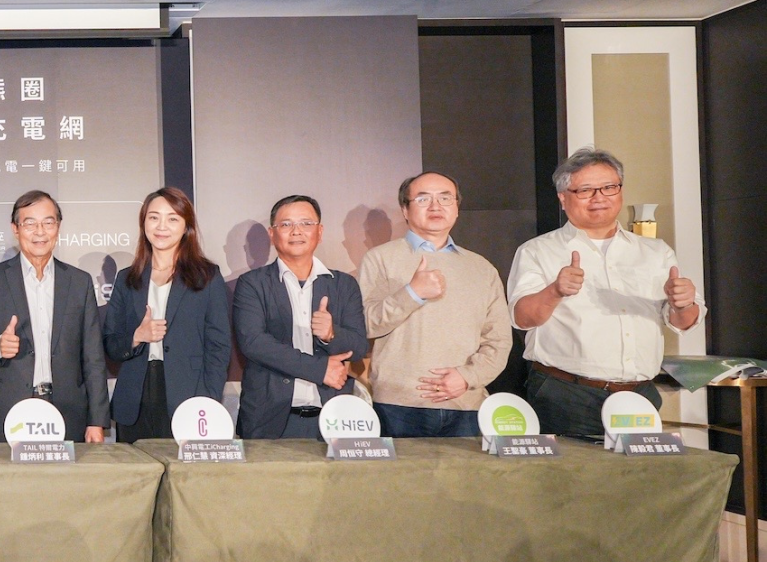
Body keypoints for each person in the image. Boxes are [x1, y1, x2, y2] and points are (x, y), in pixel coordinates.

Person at [507, 147, 701, 438]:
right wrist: (555, 290)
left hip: (639, 396)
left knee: (644, 470)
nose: (599, 198)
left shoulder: (655, 251)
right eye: (585, 190)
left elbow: (683, 322)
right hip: (567, 395)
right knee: (573, 469)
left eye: (609, 187)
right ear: (563, 198)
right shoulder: (537, 251)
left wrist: (683, 304)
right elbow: (522, 318)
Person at [356, 172, 511, 438]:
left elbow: (499, 340)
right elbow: (365, 324)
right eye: (423, 198)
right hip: (399, 405)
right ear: (405, 209)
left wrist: (468, 377)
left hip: (466, 403)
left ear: (457, 208)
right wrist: (412, 293)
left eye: (445, 198)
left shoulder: (481, 267)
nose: (435, 206)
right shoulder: (380, 259)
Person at [0, 190, 108, 443]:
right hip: (7, 410)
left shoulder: (79, 282)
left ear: (58, 227)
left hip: (67, 410)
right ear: (15, 229)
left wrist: (96, 420)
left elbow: (93, 357)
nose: (40, 232)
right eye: (30, 223)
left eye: (48, 222)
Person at [231, 194, 368, 439]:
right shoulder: (252, 283)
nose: (296, 231)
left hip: (333, 418)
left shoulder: (344, 284)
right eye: (286, 224)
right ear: (272, 234)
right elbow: (254, 343)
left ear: (320, 231)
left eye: (306, 223)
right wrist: (319, 369)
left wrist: (331, 334)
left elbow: (358, 347)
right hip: (269, 418)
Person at [103, 187, 232, 442]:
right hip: (135, 397)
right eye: (154, 217)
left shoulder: (207, 277)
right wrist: (136, 337)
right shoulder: (127, 278)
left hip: (189, 395)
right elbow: (110, 343)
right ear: (144, 223)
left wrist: (208, 399)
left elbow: (219, 347)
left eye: (172, 218)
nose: (162, 226)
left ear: (186, 226)